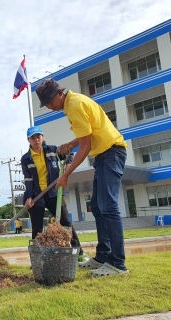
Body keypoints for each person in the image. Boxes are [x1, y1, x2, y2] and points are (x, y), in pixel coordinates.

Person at [36, 78, 129, 277]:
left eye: (50, 102)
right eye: (46, 105)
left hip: (111, 152)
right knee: (97, 206)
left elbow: (86, 147)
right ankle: (103, 256)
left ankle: (118, 263)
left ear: (59, 94)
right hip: (104, 155)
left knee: (108, 206)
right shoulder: (74, 103)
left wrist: (65, 176)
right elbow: (86, 135)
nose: (50, 107)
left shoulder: (75, 105)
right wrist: (70, 144)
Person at [21, 125, 84, 255]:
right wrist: (28, 197)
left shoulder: (53, 150)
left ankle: (78, 253)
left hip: (54, 192)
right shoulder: (26, 158)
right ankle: (37, 258)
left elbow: (69, 153)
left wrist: (68, 165)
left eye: (38, 136)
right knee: (37, 229)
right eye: (33, 138)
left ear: (42, 137)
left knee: (66, 222)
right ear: (28, 140)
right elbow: (28, 179)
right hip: (36, 196)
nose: (36, 140)